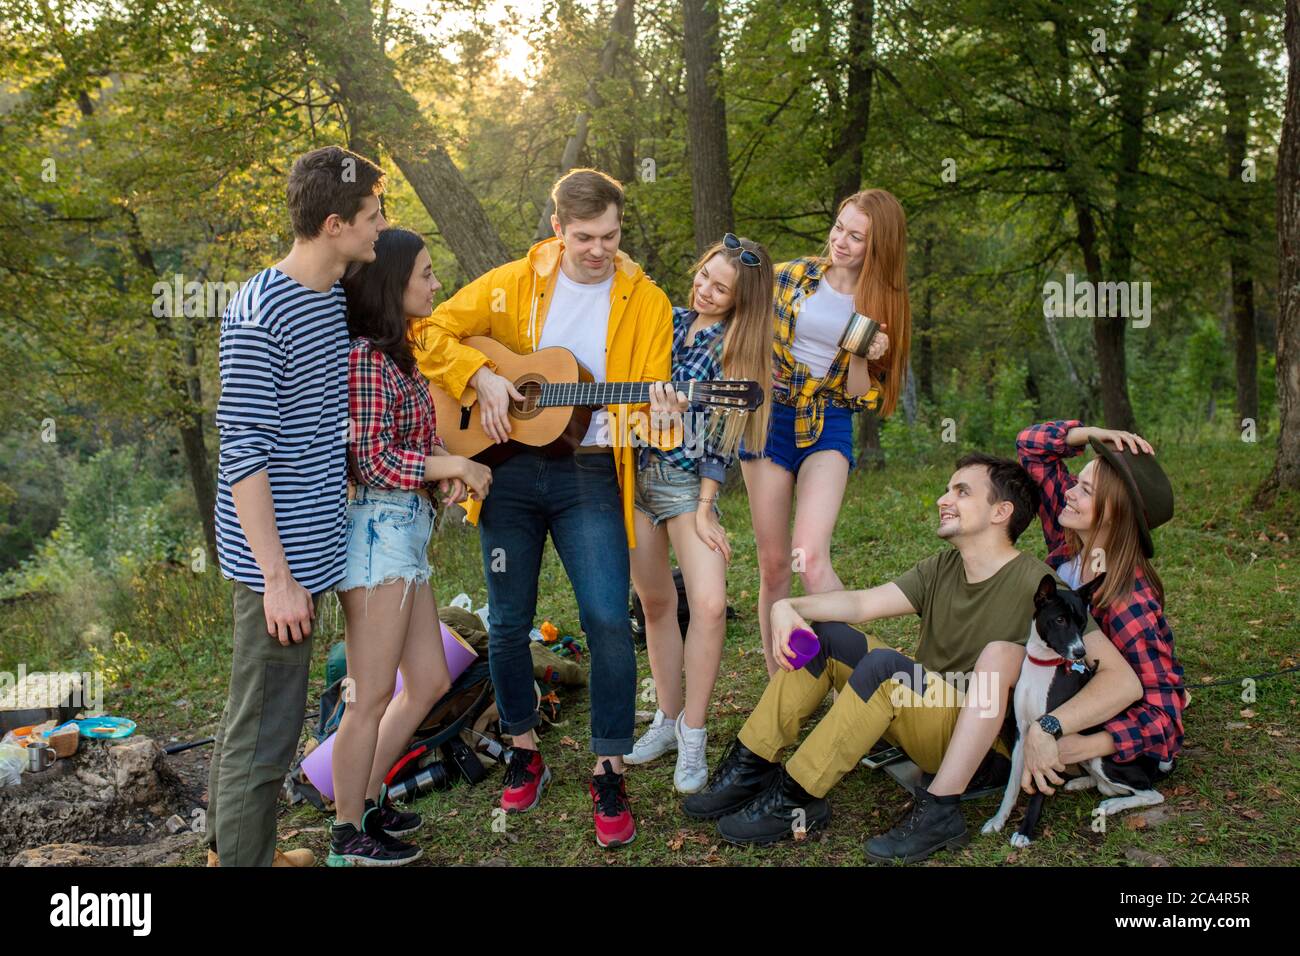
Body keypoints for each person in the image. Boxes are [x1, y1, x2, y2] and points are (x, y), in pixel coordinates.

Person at [413, 168, 687, 849]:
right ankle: (524, 745)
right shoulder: (513, 282)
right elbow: (426, 332)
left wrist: (664, 415)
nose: (600, 251)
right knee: (507, 620)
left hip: (590, 471)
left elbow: (648, 422)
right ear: (558, 230)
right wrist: (481, 377)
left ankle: (609, 766)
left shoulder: (647, 303)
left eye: (612, 237)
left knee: (604, 615)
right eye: (586, 237)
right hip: (502, 467)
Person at [682, 453, 1142, 854]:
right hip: (928, 712)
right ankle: (751, 765)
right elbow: (862, 603)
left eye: (961, 491)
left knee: (886, 669)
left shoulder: (1037, 584)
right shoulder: (944, 566)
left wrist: (1051, 727)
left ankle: (795, 796)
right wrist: (790, 606)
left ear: (1001, 511)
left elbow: (1122, 680)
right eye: (948, 489)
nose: (944, 498)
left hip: (981, 746)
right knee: (828, 635)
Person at [862, 423, 1184, 862]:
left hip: (1098, 732)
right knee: (1002, 651)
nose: (1070, 491)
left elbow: (1165, 720)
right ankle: (972, 752)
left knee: (1007, 657)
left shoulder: (1131, 603)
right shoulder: (1067, 546)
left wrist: (1071, 743)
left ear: (1113, 512)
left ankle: (944, 802)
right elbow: (1032, 447)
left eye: (1086, 490)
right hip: (1053, 695)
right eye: (1076, 481)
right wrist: (1091, 432)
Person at [207, 146, 386, 867]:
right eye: (374, 216)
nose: (381, 227)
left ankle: (233, 849)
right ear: (336, 223)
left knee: (253, 715)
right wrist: (277, 579)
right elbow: (243, 454)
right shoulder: (261, 311)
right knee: (267, 732)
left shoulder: (329, 296)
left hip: (309, 550)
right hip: (272, 562)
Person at [325, 229, 493, 866]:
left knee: (423, 680)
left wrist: (440, 470)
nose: (434, 284)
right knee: (367, 696)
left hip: (404, 532)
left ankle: (366, 800)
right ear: (393, 284)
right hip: (374, 536)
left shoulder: (398, 354)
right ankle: (346, 836)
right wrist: (454, 463)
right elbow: (369, 461)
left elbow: (401, 449)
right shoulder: (365, 359)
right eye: (425, 273)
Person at [624, 233, 775, 793]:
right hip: (630, 473)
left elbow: (721, 437)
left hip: (685, 483)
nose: (706, 290)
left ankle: (694, 732)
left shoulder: (736, 347)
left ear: (743, 299)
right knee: (656, 602)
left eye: (721, 287)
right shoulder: (666, 318)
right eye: (705, 277)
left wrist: (709, 507)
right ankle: (666, 718)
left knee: (709, 606)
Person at [739, 189, 912, 675]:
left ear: (879, 246)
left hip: (828, 421)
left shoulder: (886, 304)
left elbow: (861, 397)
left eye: (857, 237)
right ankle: (780, 688)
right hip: (770, 418)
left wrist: (862, 351)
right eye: (840, 227)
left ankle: (862, 681)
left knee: (809, 558)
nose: (841, 241)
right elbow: (742, 328)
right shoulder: (792, 275)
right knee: (774, 565)